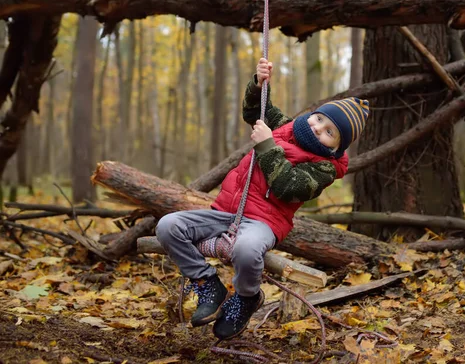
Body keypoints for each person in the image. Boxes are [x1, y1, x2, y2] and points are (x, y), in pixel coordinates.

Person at [155, 58, 370, 340]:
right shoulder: (286, 127)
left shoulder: (325, 167)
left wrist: (267, 145)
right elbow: (256, 110)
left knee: (246, 248)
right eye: (319, 119)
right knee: (168, 226)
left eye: (330, 132)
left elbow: (287, 187)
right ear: (312, 114)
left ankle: (246, 297)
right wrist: (258, 84)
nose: (318, 128)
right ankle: (207, 283)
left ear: (336, 147)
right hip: (226, 212)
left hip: (263, 222)